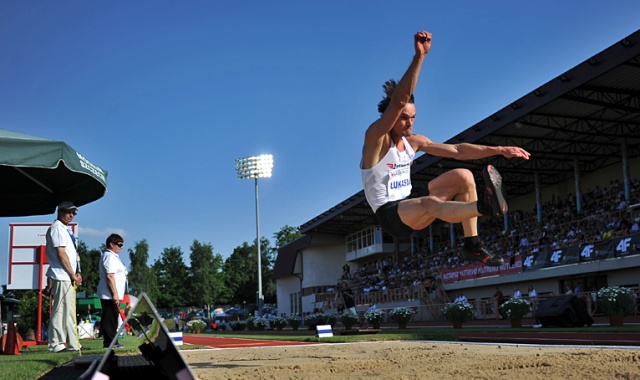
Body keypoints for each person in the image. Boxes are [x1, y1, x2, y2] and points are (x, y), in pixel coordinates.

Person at [360, 30, 531, 267]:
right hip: (390, 216)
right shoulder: (376, 139)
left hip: (410, 207)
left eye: (413, 117)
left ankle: (472, 245)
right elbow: (399, 101)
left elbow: (458, 151)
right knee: (428, 203)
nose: (410, 122)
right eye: (404, 118)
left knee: (464, 175)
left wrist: (500, 149)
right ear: (391, 116)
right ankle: (485, 206)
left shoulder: (415, 141)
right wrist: (419, 57)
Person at [45, 201, 82, 353]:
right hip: (62, 275)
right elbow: (61, 254)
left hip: (68, 276)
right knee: (60, 310)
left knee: (69, 311)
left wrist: (77, 272)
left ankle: (74, 344)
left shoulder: (66, 230)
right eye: (68, 212)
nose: (71, 215)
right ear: (60, 211)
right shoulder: (56, 229)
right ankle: (56, 344)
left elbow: (73, 254)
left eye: (74, 213)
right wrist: (72, 273)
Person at [97, 233, 128, 349]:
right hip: (108, 294)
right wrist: (114, 294)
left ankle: (113, 341)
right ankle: (109, 342)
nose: (121, 247)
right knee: (109, 318)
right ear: (111, 244)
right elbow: (110, 276)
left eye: (122, 245)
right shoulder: (109, 257)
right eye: (119, 245)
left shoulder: (114, 257)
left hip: (113, 293)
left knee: (114, 317)